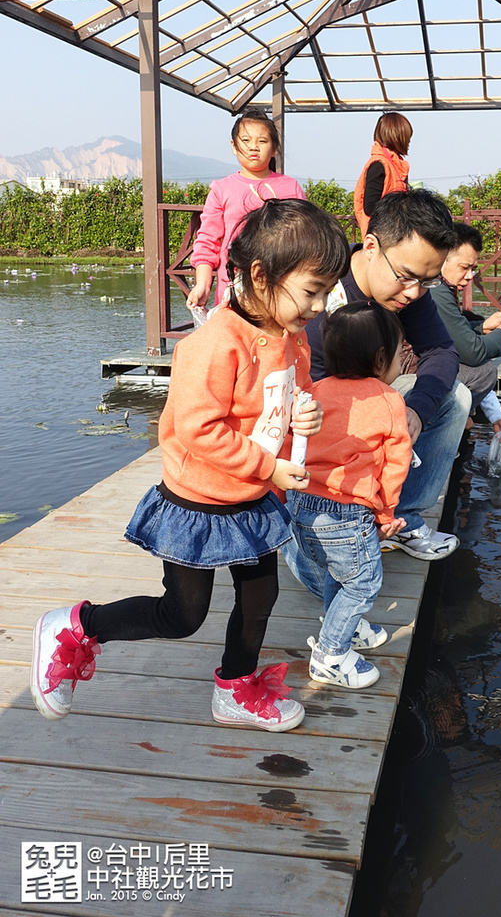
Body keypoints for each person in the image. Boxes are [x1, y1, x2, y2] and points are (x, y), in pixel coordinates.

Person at [30, 199, 351, 732]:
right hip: (198, 501)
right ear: (259, 275)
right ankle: (77, 626)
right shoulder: (213, 345)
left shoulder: (290, 340)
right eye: (311, 291)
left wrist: (306, 410)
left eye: (324, 293)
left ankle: (235, 687)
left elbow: (293, 395)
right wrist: (268, 469)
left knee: (260, 596)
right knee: (182, 615)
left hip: (251, 496)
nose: (318, 307)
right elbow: (198, 431)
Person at [288, 189, 470, 569]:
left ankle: (403, 518)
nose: (414, 293)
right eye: (406, 277)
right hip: (307, 423)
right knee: (318, 572)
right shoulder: (320, 294)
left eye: (428, 281)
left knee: (455, 398)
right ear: (371, 246)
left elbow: (441, 351)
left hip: (369, 403)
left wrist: (416, 412)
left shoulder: (411, 291)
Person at [289, 303, 412, 690]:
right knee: (361, 584)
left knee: (336, 574)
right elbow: (396, 464)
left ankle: (344, 627)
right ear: (380, 360)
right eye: (398, 353)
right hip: (347, 513)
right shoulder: (389, 400)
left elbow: (290, 444)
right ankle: (330, 655)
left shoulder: (315, 390)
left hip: (302, 505)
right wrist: (386, 511)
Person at [187, 112, 306, 309]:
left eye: (262, 140)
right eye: (245, 140)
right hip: (232, 293)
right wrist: (202, 285)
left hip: (280, 292)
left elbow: (303, 239)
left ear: (274, 148)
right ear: (233, 146)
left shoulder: (291, 188)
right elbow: (207, 243)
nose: (253, 146)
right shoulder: (221, 189)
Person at [431, 222, 501, 432]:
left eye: (473, 269)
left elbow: (452, 330)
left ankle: (459, 415)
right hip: (415, 371)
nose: (470, 276)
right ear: (442, 258)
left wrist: (483, 326)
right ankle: (451, 418)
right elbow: (472, 353)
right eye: (464, 268)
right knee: (485, 371)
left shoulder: (439, 285)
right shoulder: (436, 290)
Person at [353, 111, 413, 239]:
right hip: (381, 238)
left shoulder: (397, 165)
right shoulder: (379, 165)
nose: (408, 142)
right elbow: (370, 207)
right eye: (407, 137)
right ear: (397, 136)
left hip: (393, 234)